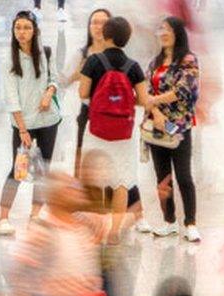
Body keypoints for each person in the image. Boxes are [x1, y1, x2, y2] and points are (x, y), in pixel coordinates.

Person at [79, 16, 151, 244]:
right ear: (126, 39)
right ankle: (114, 231)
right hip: (123, 134)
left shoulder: (93, 61)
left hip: (97, 130)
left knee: (95, 179)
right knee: (121, 182)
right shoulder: (134, 67)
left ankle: (97, 227)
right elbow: (143, 100)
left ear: (106, 35)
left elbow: (82, 93)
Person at [0, 10, 61, 237]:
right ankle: (3, 217)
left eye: (26, 28)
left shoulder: (46, 52)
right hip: (23, 124)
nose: (22, 33)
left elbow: (55, 78)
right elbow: (11, 98)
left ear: (34, 31)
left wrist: (49, 92)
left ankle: (35, 215)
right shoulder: (9, 60)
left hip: (49, 120)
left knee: (44, 169)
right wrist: (22, 129)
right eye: (18, 28)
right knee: (18, 170)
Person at [145, 17, 202, 242]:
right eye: (160, 29)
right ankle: (169, 221)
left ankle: (190, 222)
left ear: (177, 33)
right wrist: (156, 113)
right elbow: (146, 90)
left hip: (178, 126)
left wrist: (154, 102)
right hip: (156, 125)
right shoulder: (154, 62)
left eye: (167, 29)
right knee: (163, 177)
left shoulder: (189, 60)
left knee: (184, 176)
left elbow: (183, 90)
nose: (162, 33)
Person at [62, 8, 111, 176]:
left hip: (112, 113)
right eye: (94, 23)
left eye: (103, 23)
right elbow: (62, 82)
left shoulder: (117, 54)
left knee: (108, 160)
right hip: (87, 112)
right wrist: (77, 74)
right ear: (89, 27)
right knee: (82, 158)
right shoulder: (82, 54)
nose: (98, 27)